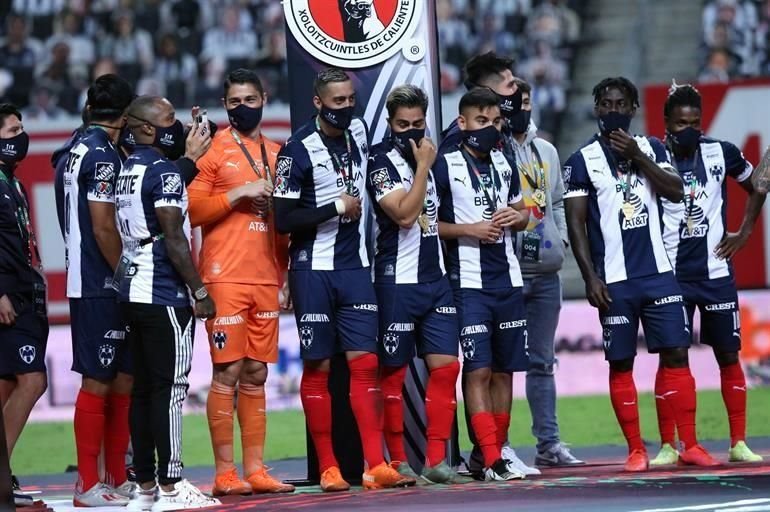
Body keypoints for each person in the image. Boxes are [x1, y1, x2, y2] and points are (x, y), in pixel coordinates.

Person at [563, 77, 718, 472]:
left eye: (621, 103)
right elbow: (576, 225)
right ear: (597, 108)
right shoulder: (580, 161)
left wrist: (638, 156)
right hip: (613, 281)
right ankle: (636, 449)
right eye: (606, 103)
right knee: (620, 363)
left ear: (633, 109)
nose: (613, 110)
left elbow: (675, 190)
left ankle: (691, 443)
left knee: (677, 354)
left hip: (659, 275)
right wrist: (589, 277)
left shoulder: (652, 147)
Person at [273, 68, 414, 491]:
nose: (347, 107)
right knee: (317, 366)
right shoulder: (295, 151)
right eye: (338, 102)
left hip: (355, 268)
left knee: (365, 365)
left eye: (350, 99)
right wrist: (334, 207)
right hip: (312, 270)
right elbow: (283, 219)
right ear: (318, 103)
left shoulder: (357, 135)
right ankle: (330, 467)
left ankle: (375, 465)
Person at [188, 68, 294, 495]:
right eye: (235, 102)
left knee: (256, 373)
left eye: (250, 99)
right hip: (224, 276)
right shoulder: (213, 151)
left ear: (264, 98)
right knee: (227, 372)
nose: (243, 107)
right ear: (225, 104)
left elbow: (284, 223)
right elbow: (192, 211)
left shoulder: (279, 153)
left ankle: (256, 470)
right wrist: (239, 193)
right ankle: (225, 474)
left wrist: (284, 275)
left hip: (265, 276)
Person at [652, 82, 766, 466]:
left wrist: (746, 231)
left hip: (716, 271)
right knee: (672, 357)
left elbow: (758, 184)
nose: (689, 128)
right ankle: (671, 444)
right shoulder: (654, 156)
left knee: (729, 354)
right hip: (669, 274)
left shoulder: (721, 152)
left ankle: (738, 442)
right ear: (666, 122)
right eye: (681, 122)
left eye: (695, 122)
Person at [115, 95, 219, 511]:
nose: (176, 127)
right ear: (144, 128)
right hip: (163, 293)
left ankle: (143, 489)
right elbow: (175, 240)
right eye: (169, 120)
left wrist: (190, 158)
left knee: (142, 391)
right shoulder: (162, 171)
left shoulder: (129, 168)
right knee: (171, 389)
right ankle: (173, 486)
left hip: (133, 291)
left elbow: (165, 184)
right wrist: (199, 291)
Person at [366, 85, 469, 485]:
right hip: (396, 282)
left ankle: (436, 460)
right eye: (402, 125)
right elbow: (405, 217)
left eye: (417, 124)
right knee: (392, 373)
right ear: (390, 123)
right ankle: (398, 461)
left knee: (446, 368)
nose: (410, 131)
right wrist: (423, 166)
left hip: (435, 278)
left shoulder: (433, 154)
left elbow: (435, 219)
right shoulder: (380, 161)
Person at [434, 88, 529, 481]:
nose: (489, 129)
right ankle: (493, 458)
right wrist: (468, 229)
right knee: (478, 371)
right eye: (480, 122)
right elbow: (427, 225)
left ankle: (489, 453)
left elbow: (526, 211)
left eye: (494, 122)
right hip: (468, 282)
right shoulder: (444, 164)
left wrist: (516, 218)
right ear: (462, 123)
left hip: (508, 279)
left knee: (506, 371)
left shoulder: (505, 160)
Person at [57, 74, 135, 507]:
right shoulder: (103, 157)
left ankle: (115, 477)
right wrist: (126, 271)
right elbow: (104, 225)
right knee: (100, 379)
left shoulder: (75, 148)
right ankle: (87, 484)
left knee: (122, 377)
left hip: (89, 276)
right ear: (124, 116)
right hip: (98, 281)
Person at [506, 78, 583, 469]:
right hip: (505, 270)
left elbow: (556, 204)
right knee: (495, 365)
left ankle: (548, 444)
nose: (522, 108)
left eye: (526, 101)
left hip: (545, 270)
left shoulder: (547, 151)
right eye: (515, 102)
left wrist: (562, 241)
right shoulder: (495, 149)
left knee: (542, 361)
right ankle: (495, 448)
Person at [0, 103, 48, 507]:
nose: (20, 136)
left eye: (20, 128)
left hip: (21, 288)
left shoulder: (10, 181)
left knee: (7, 385)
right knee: (33, 381)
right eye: (12, 131)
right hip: (7, 295)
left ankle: (4, 475)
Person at [438, 52, 521, 153]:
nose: (516, 89)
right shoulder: (460, 136)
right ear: (488, 92)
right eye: (510, 85)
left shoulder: (504, 129)